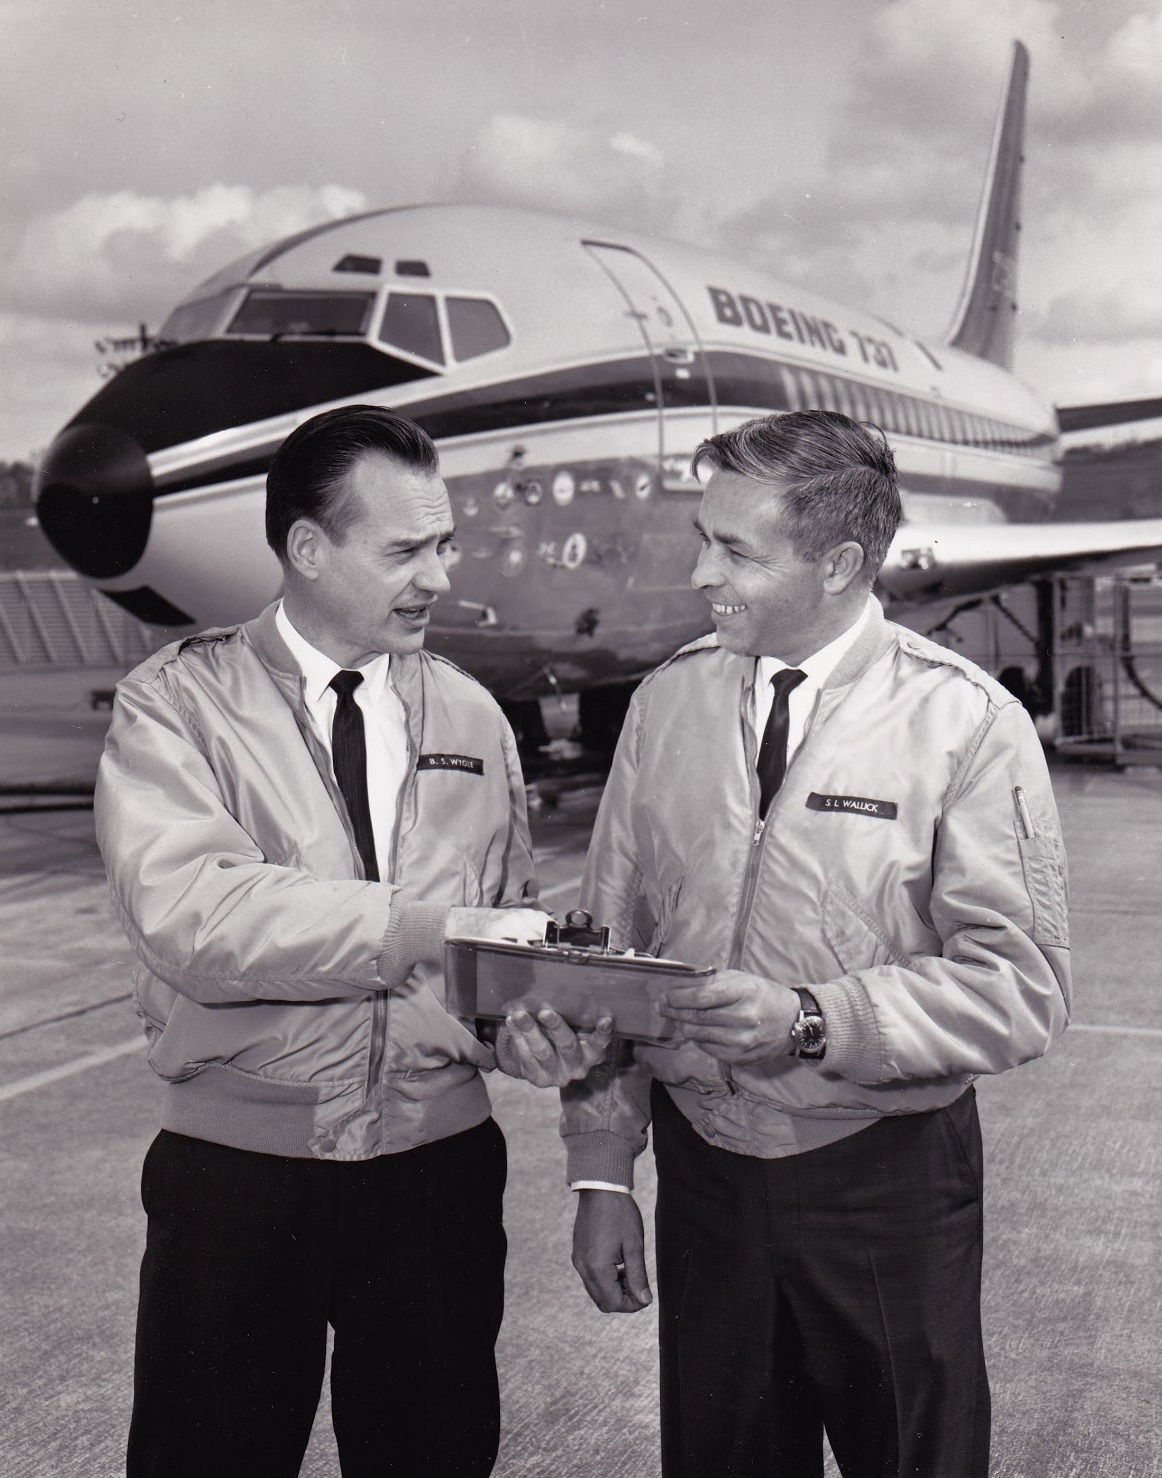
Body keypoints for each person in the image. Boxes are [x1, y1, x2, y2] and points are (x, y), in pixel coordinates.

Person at [96, 405, 609, 1478]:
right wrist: (429, 926)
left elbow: (489, 944)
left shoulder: (472, 716)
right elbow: (197, 914)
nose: (438, 574)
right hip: (238, 1177)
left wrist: (523, 1032)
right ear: (306, 549)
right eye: (406, 550)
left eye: (445, 543)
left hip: (437, 1178)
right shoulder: (178, 703)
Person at [562, 410, 1071, 1477]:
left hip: (881, 1179)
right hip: (705, 1175)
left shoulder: (963, 721)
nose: (701, 570)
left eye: (735, 549)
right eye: (704, 536)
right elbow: (607, 952)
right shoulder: (665, 703)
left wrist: (810, 1018)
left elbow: (1018, 988)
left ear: (841, 562)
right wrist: (604, 1173)